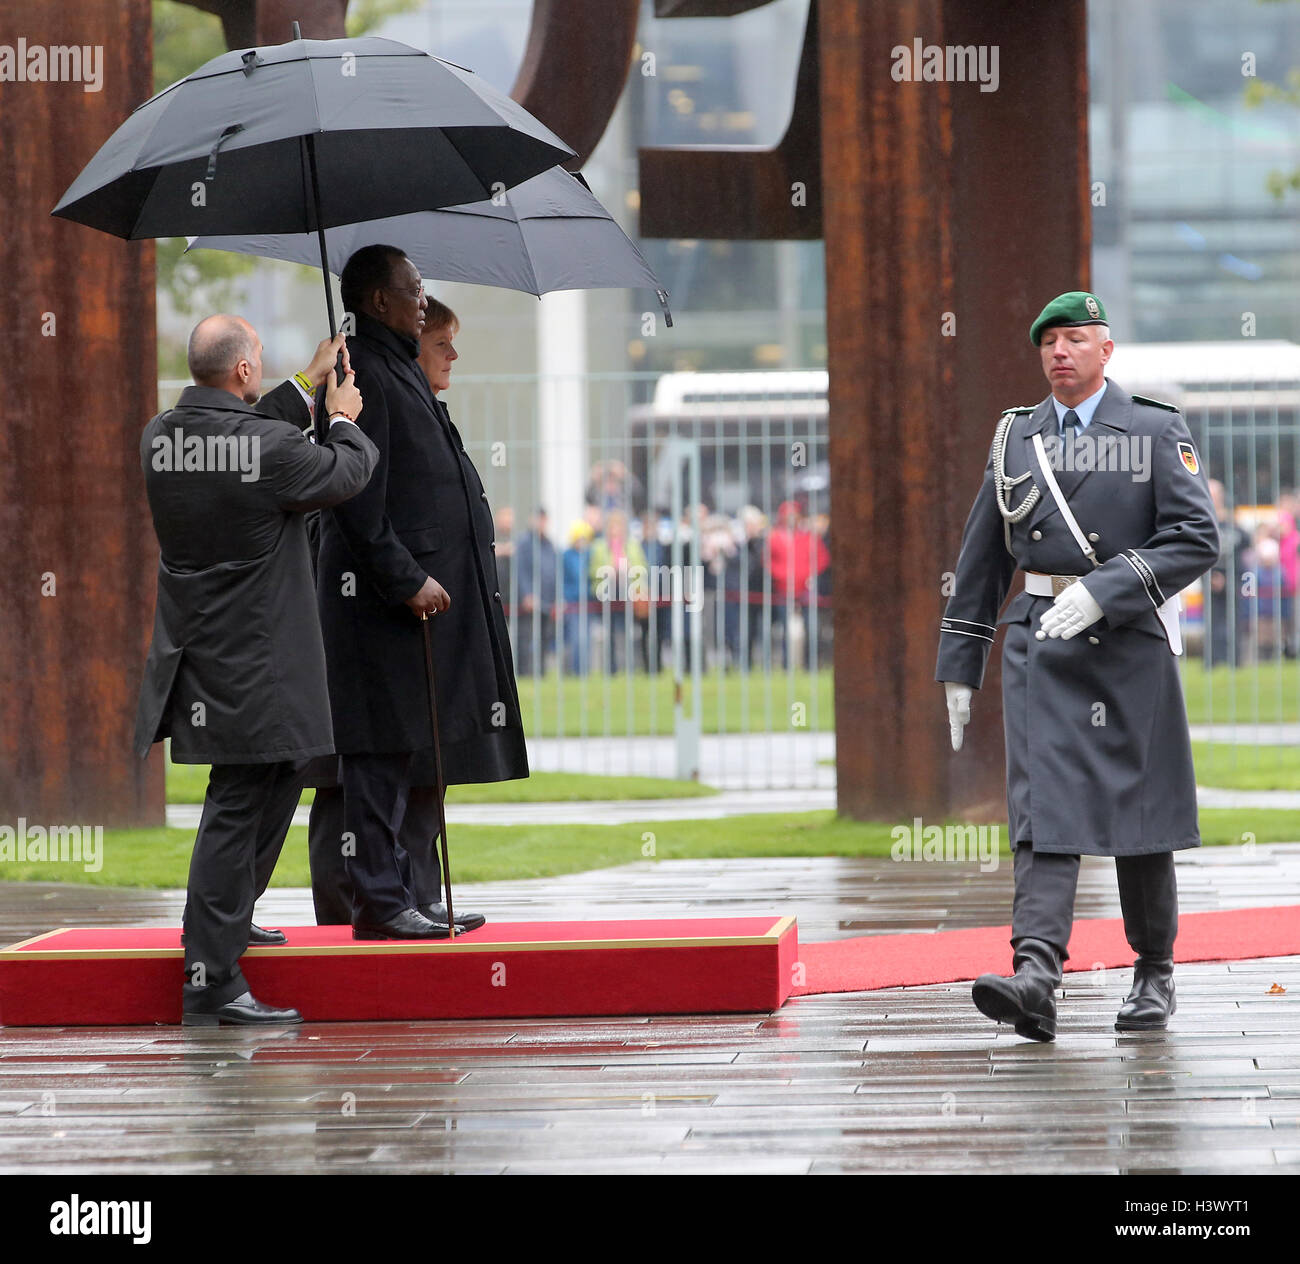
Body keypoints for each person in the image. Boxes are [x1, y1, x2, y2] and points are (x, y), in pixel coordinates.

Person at [937, 291, 1219, 1042]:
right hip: (1040, 641)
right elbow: (982, 558)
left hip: (1126, 641)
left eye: (1075, 339)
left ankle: (1153, 971)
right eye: (1049, 341)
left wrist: (1106, 591)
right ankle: (1036, 975)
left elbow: (1196, 537)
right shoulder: (1016, 437)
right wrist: (960, 664)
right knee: (1041, 811)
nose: (1060, 352)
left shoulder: (1154, 429)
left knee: (1141, 812)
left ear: (1106, 350)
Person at [134, 316, 375, 1025]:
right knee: (240, 801)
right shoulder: (264, 447)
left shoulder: (163, 439)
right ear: (242, 373)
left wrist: (305, 383)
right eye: (259, 363)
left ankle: (225, 924)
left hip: (207, 653)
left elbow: (244, 440)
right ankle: (210, 979)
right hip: (261, 659)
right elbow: (344, 473)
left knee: (276, 775)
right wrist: (342, 417)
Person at [311, 246, 528, 940]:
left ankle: (408, 893)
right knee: (377, 750)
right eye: (413, 289)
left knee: (407, 746)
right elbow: (356, 495)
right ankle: (380, 899)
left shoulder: (396, 367)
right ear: (378, 301)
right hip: (384, 604)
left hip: (420, 606)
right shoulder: (363, 374)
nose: (424, 300)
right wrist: (406, 578)